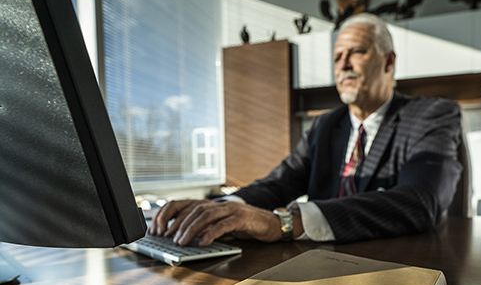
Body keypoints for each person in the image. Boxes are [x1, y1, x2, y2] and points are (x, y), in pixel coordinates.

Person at [149, 13, 463, 246]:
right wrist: (223, 209)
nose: (343, 65)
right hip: (317, 266)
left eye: (356, 52)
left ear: (388, 61)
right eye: (337, 57)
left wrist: (287, 222)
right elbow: (277, 185)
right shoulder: (326, 125)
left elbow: (422, 200)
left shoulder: (432, 115)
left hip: (393, 271)